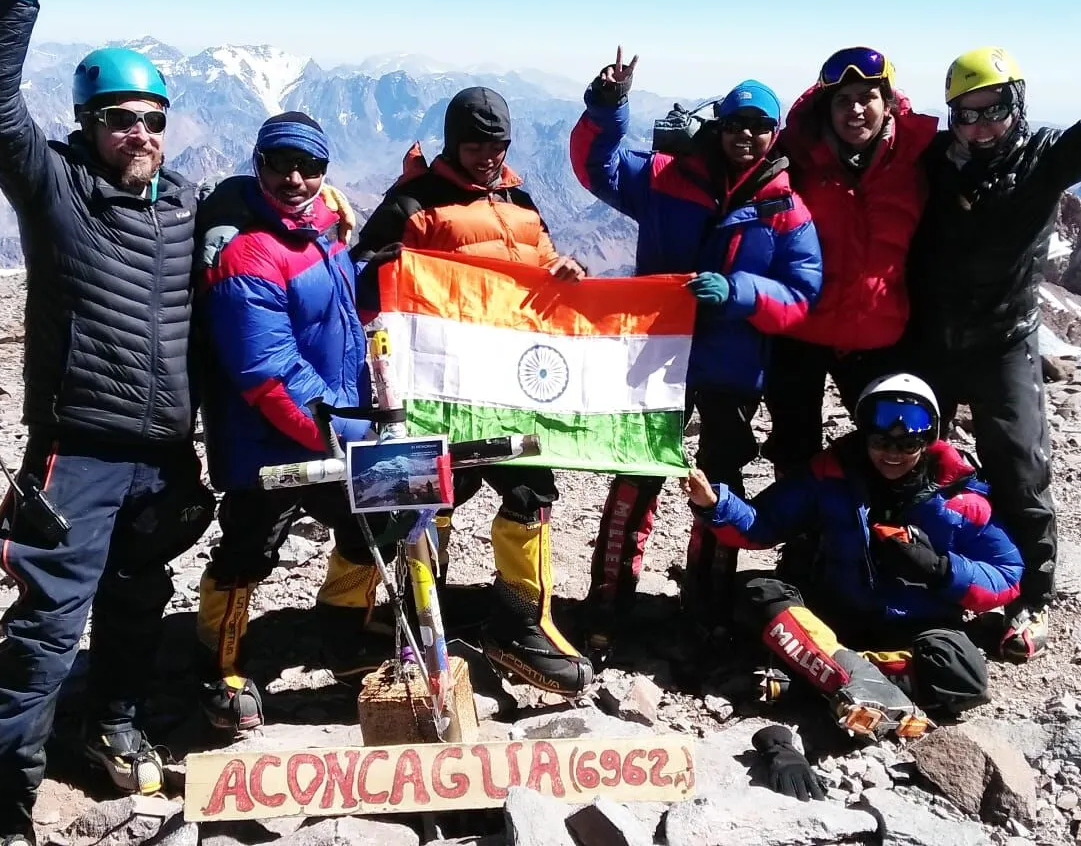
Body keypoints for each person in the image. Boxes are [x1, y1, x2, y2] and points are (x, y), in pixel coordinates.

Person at [0, 0, 215, 843]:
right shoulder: (52, 184)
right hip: (79, 453)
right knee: (45, 630)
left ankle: (112, 722)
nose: (137, 132)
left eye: (151, 116)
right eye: (118, 117)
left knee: (139, 602)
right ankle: (1, 810)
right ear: (87, 122)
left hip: (162, 456)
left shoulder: (187, 201)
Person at [569, 49, 822, 656]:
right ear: (720, 126)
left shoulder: (787, 211)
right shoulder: (665, 177)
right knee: (639, 474)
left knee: (718, 482)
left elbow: (801, 294)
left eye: (761, 126)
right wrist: (607, 107)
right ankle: (609, 602)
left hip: (732, 369)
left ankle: (705, 608)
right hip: (660, 358)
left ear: (774, 133)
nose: (747, 136)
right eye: (737, 123)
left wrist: (737, 292)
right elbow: (596, 167)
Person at [353, 86, 592, 696]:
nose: (488, 154)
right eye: (475, 142)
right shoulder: (415, 201)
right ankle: (414, 620)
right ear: (451, 142)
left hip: (509, 380)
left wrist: (566, 270)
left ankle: (519, 622)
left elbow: (541, 267)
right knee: (436, 497)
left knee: (531, 491)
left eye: (498, 143)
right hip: (441, 382)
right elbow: (365, 271)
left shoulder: (520, 201)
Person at [684, 374, 1023, 739]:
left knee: (962, 673)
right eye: (880, 440)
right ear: (863, 434)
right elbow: (764, 524)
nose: (892, 453)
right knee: (757, 591)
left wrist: (941, 569)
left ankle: (816, 677)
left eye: (908, 442)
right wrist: (716, 504)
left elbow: (1008, 573)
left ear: (928, 440)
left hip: (911, 626)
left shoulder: (961, 499)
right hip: (832, 614)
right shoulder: (829, 475)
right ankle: (855, 684)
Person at [196, 112, 392, 731]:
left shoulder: (319, 232)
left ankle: (341, 630)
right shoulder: (248, 252)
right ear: (259, 163)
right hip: (271, 447)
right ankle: (220, 664)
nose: (296, 177)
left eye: (309, 166)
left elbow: (328, 309)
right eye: (282, 162)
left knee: (373, 525)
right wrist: (350, 435)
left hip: (328, 434)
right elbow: (269, 372)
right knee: (249, 550)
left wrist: (365, 273)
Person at [908, 46, 1081, 661]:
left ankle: (1030, 594)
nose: (979, 127)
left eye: (993, 110)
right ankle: (925, 568)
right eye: (965, 114)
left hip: (1004, 341)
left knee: (1018, 467)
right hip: (932, 338)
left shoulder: (1045, 158)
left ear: (1019, 103)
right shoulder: (935, 160)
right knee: (913, 455)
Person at [764, 47, 939, 476]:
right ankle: (802, 539)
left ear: (889, 103)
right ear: (826, 107)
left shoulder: (922, 158)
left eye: (867, 97)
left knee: (887, 447)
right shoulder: (795, 155)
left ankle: (876, 540)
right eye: (843, 100)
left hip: (877, 333)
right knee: (794, 448)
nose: (855, 109)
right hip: (801, 330)